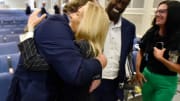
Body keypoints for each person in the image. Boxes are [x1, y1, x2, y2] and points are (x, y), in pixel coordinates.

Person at [7, 1, 109, 101]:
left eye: (78, 14)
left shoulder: (79, 46)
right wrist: (98, 66)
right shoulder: (90, 47)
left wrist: (99, 63)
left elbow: (33, 61)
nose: (71, 15)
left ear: (88, 24)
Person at [136, 0, 180, 101]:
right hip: (147, 77)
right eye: (157, 11)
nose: (157, 14)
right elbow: (141, 51)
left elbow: (178, 68)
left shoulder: (178, 39)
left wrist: (161, 59)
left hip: (166, 83)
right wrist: (138, 71)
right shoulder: (152, 32)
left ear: (174, 14)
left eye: (162, 12)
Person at [93, 0, 135, 101]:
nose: (119, 6)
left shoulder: (129, 27)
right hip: (93, 79)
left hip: (115, 83)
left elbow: (127, 53)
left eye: (124, 4)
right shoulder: (94, 22)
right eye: (117, 1)